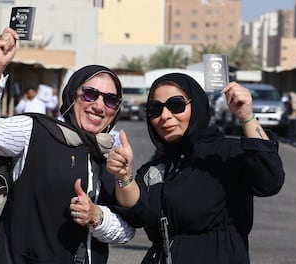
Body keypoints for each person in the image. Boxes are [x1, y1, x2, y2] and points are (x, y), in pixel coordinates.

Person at [0, 27, 134, 264]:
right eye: (90, 94)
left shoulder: (111, 155)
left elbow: (127, 231)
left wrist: (97, 216)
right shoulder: (35, 131)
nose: (99, 105)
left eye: (110, 99)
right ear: (72, 94)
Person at [107, 73, 285, 264]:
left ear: (197, 105)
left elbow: (269, 181)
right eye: (155, 109)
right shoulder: (158, 167)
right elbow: (136, 211)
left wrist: (247, 117)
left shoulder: (226, 152)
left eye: (176, 105)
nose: (165, 116)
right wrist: (123, 175)